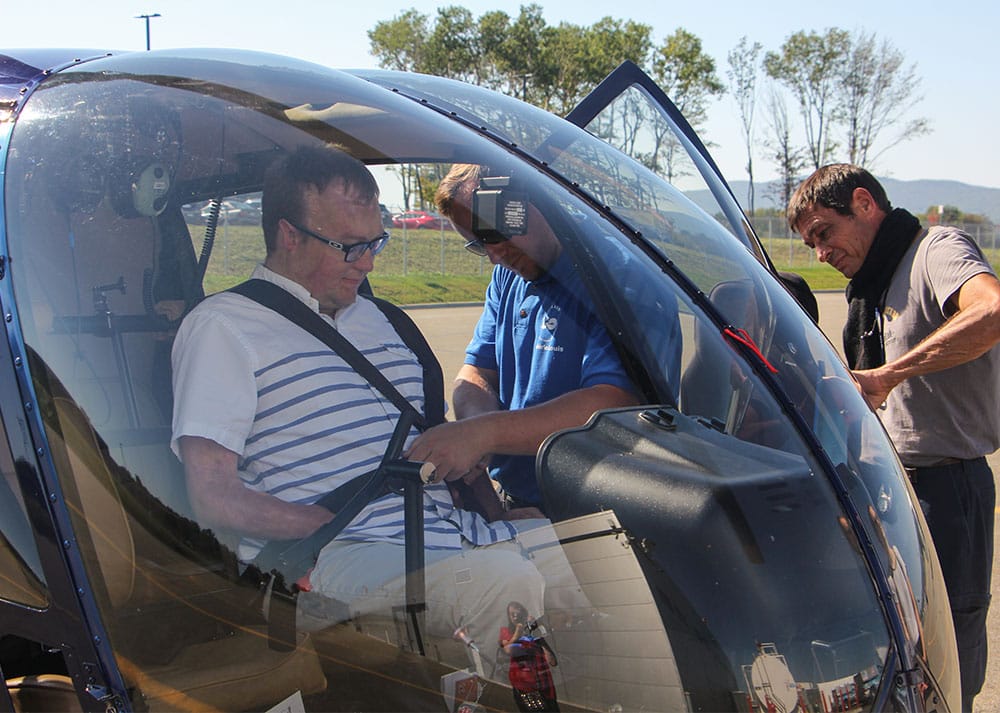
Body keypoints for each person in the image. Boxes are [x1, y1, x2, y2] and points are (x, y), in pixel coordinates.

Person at [171, 143, 580, 665]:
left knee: (588, 555)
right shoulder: (223, 327)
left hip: (442, 531)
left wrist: (493, 509)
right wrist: (321, 524)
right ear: (289, 235)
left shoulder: (389, 322)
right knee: (502, 582)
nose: (366, 263)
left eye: (375, 243)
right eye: (348, 247)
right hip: (333, 552)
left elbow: (434, 446)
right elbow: (213, 496)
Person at [787, 163, 1000, 712]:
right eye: (811, 245)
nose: (821, 254)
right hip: (888, 488)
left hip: (947, 490)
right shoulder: (869, 286)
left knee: (949, 655)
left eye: (824, 234)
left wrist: (887, 375)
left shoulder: (935, 251)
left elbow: (992, 311)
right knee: (895, 645)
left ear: (864, 203)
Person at [407, 164, 639, 511]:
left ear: (529, 202)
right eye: (478, 245)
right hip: (520, 504)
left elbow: (612, 405)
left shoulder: (615, 275)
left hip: (601, 509)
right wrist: (475, 429)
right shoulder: (510, 275)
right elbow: (477, 372)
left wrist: (484, 434)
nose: (493, 256)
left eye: (495, 235)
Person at [499, 601, 560, 712]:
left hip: (542, 681)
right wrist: (518, 631)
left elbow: (552, 662)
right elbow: (508, 650)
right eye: (512, 614)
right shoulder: (506, 631)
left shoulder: (533, 633)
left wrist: (535, 630)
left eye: (518, 613)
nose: (515, 617)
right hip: (524, 684)